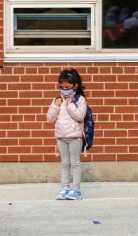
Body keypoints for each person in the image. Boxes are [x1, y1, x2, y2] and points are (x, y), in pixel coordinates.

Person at [47, 68, 87, 200]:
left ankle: (76, 189)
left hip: (75, 136)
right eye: (62, 87)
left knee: (75, 162)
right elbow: (50, 119)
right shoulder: (57, 100)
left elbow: (80, 116)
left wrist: (70, 105)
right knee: (64, 163)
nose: (65, 90)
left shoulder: (79, 99)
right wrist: (55, 106)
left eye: (68, 87)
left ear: (75, 85)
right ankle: (64, 188)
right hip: (61, 137)